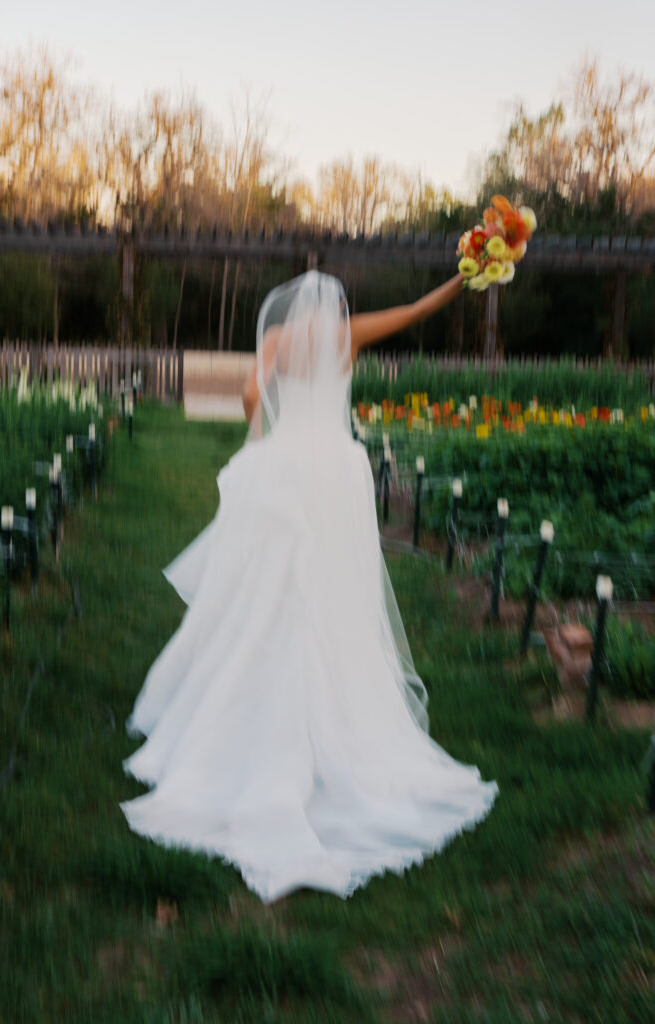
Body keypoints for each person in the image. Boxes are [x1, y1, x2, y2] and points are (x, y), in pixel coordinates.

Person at [121, 270, 497, 904]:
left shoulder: (279, 339)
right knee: (338, 592)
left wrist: (260, 438)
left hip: (288, 467)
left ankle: (250, 703)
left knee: (266, 593)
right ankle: (337, 708)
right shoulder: (350, 334)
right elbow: (415, 306)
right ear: (338, 307)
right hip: (337, 474)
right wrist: (467, 277)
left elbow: (251, 393)